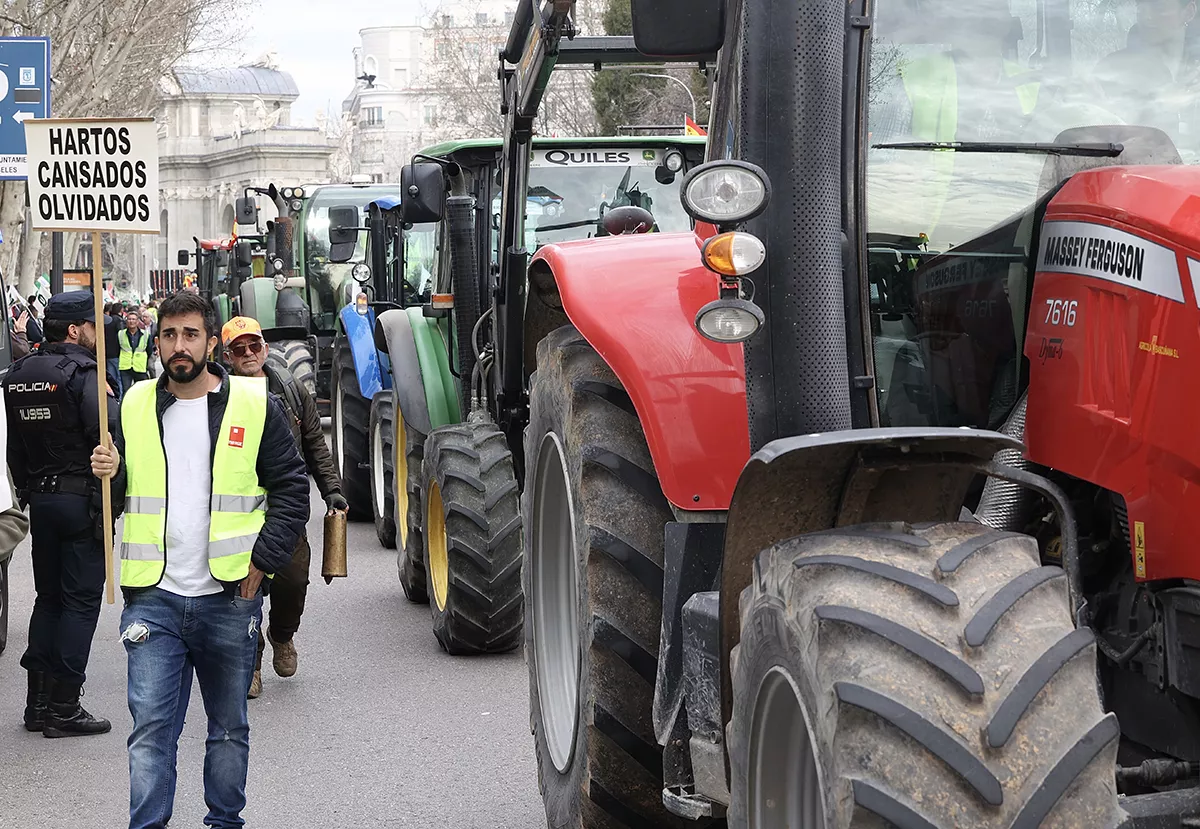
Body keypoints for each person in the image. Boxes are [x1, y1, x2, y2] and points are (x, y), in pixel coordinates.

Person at [90, 290, 309, 829]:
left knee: (229, 730)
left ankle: (224, 823)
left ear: (211, 341)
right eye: (169, 335)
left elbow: (291, 489)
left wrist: (263, 561)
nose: (179, 346)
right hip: (153, 602)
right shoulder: (134, 404)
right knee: (149, 734)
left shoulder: (256, 404)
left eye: (190, 334)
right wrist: (108, 475)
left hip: (229, 598)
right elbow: (118, 501)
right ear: (157, 341)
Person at [5, 291, 123, 737]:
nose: (100, 334)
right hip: (80, 502)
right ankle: (64, 706)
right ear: (75, 330)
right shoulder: (85, 374)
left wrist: (31, 489)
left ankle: (37, 705)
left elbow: (13, 448)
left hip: (40, 500)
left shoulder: (17, 374)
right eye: (93, 326)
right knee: (79, 603)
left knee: (48, 599)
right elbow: (107, 435)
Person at [221, 316, 347, 698]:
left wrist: (333, 491)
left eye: (254, 346)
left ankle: (282, 634)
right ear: (227, 355)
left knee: (293, 582)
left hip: (284, 508)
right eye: (238, 349)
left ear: (264, 348)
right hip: (237, 513)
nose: (248, 354)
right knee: (244, 590)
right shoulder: (218, 396)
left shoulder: (291, 389)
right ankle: (252, 662)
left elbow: (314, 446)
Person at [1094, 0, 1200, 139]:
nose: (1146, 15)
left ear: (1189, 12)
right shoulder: (1111, 70)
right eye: (1141, 6)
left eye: (1158, 7)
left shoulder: (1195, 71)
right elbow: (1097, 137)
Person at [118, 310, 151, 392]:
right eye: (129, 319)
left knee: (140, 391)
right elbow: (117, 349)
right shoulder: (121, 334)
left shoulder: (145, 334)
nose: (131, 321)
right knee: (126, 391)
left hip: (140, 367)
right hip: (125, 367)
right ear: (126, 321)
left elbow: (149, 350)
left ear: (137, 322)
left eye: (133, 319)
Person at [104, 304, 123, 400]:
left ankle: (115, 397)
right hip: (116, 352)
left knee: (112, 376)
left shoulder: (106, 321)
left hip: (107, 352)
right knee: (119, 377)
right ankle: (120, 396)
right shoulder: (118, 321)